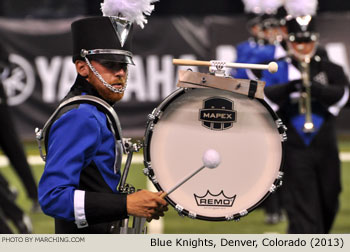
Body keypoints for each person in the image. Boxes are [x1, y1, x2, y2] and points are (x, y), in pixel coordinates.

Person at [38, 0, 168, 234]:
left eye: (123, 65)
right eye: (110, 64)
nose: (120, 72)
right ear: (82, 68)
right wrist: (126, 204)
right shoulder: (81, 117)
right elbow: (52, 197)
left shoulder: (95, 109)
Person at [262, 10, 349, 233]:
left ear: (315, 39)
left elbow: (345, 94)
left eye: (307, 39)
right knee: (302, 204)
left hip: (325, 144)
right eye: (297, 40)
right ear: (288, 41)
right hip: (294, 146)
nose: (302, 45)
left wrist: (318, 90)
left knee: (330, 197)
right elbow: (265, 96)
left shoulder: (330, 68)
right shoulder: (277, 68)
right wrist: (290, 87)